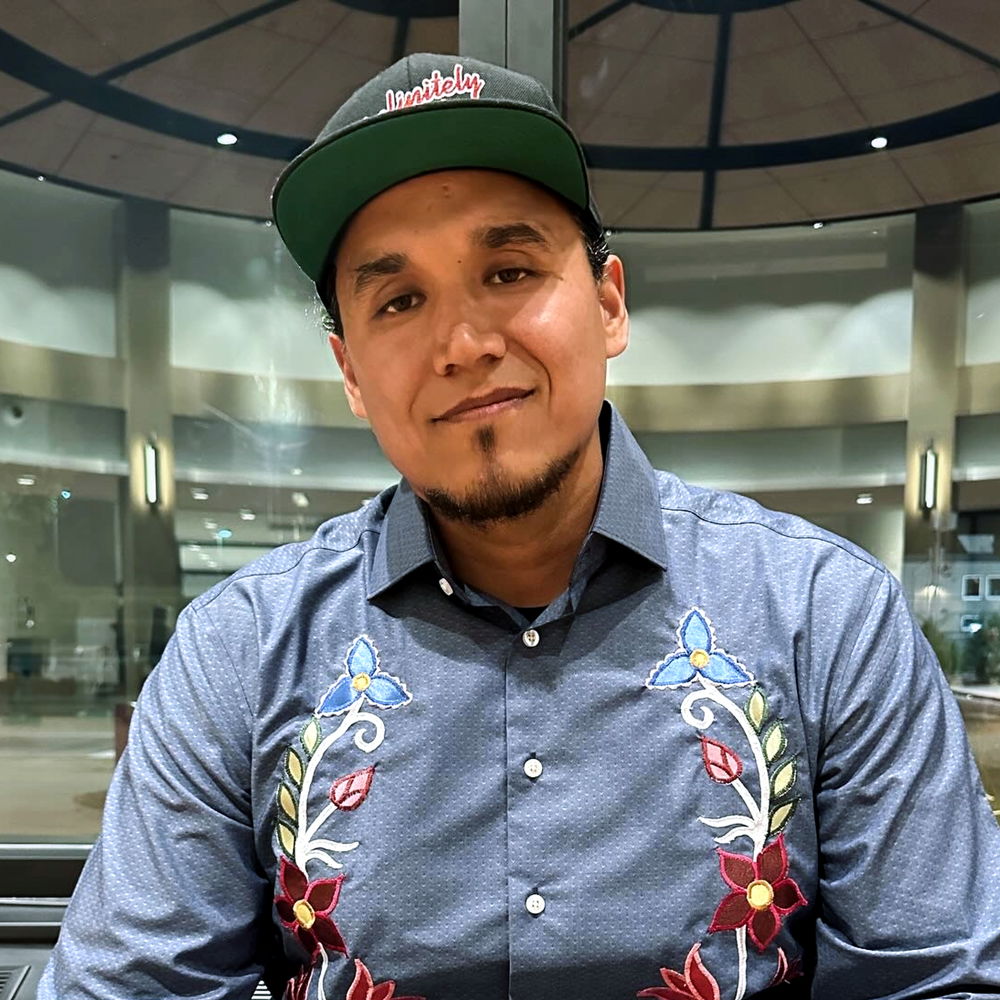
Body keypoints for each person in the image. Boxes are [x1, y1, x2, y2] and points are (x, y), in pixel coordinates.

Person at [40, 53, 1000, 1000]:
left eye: (508, 270)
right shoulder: (240, 651)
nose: (464, 346)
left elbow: (936, 981)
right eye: (400, 300)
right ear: (349, 370)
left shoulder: (826, 621)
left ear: (609, 302)